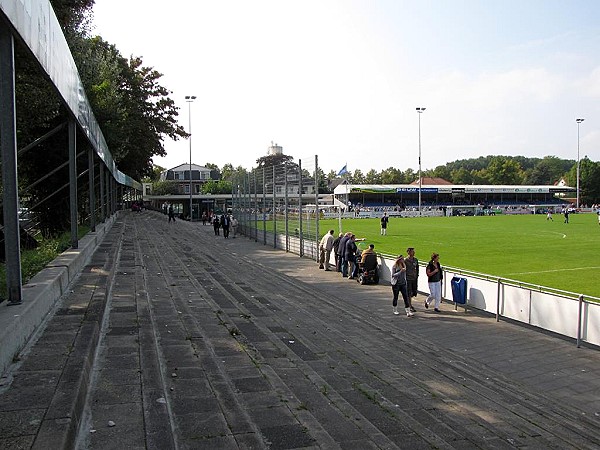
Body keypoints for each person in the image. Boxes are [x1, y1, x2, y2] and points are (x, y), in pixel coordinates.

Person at [405, 247, 419, 312]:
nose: (414, 252)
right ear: (408, 252)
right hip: (408, 278)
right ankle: (409, 305)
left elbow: (417, 267)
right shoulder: (406, 260)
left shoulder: (415, 260)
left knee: (414, 292)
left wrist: (417, 275)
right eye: (412, 251)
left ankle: (409, 303)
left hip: (414, 278)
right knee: (409, 292)